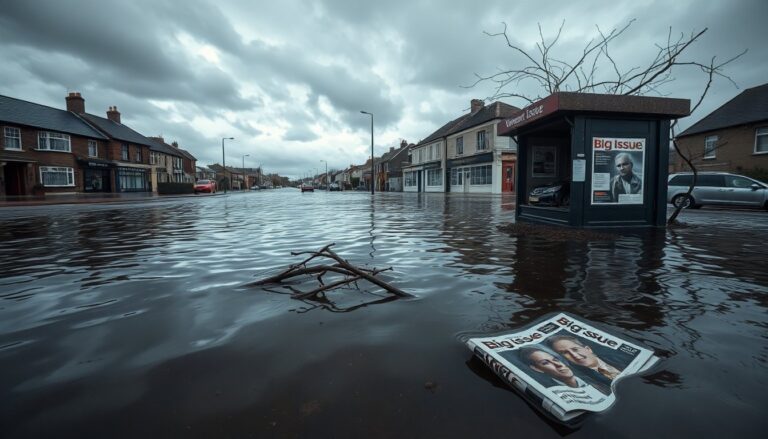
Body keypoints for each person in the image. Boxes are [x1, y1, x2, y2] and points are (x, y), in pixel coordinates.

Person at [548, 335, 623, 381]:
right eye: (565, 353)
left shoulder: (619, 357)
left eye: (575, 349)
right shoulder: (582, 378)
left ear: (588, 349)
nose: (575, 355)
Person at [517, 346, 588, 389]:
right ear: (536, 368)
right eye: (545, 363)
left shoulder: (588, 378)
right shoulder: (550, 389)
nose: (558, 364)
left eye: (555, 359)